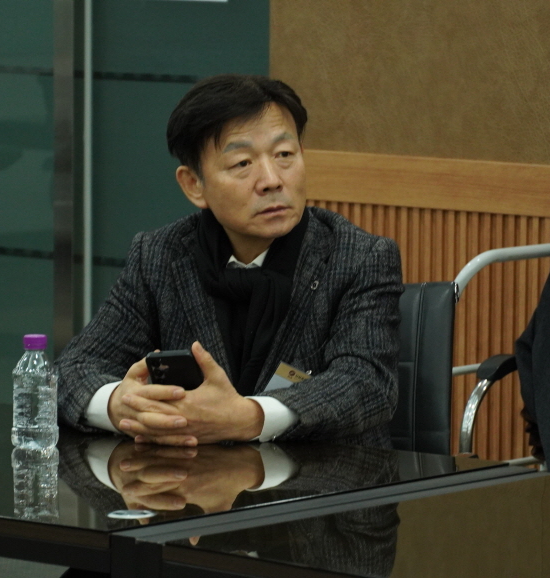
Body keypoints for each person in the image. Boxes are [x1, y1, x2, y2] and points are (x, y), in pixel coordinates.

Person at [55, 74, 402, 446]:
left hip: (322, 478)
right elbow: (70, 371)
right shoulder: (160, 256)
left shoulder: (359, 257)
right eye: (242, 163)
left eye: (285, 155)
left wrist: (249, 417)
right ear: (194, 184)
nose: (271, 180)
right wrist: (120, 406)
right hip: (187, 477)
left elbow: (366, 383)